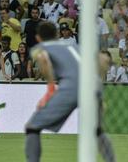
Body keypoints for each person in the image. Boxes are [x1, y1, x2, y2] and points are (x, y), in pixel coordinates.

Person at [25, 21, 115, 162]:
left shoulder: (40, 47)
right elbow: (102, 60)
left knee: (32, 128)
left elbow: (43, 60)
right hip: (93, 84)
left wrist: (50, 89)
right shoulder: (75, 45)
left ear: (38, 38)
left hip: (72, 87)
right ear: (57, 34)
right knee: (96, 130)